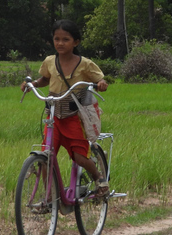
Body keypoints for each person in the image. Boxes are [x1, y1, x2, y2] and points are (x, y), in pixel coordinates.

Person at [20, 19, 109, 199]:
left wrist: (101, 83)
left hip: (73, 116)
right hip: (53, 116)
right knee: (46, 156)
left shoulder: (84, 64)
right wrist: (33, 84)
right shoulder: (50, 61)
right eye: (57, 39)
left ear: (76, 42)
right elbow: (45, 79)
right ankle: (49, 197)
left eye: (65, 39)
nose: (60, 43)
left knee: (80, 157)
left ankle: (99, 177)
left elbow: (100, 79)